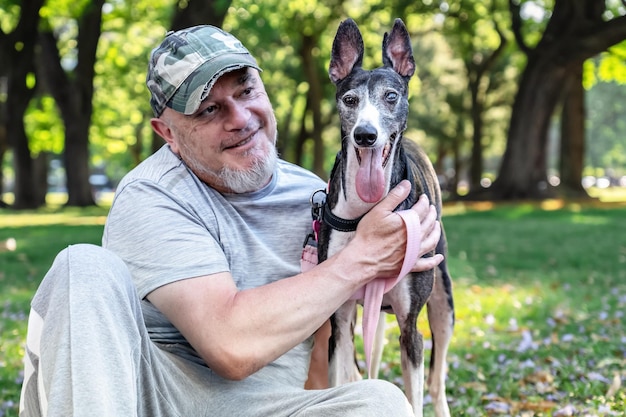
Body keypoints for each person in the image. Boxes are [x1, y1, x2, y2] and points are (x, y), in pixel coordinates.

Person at [18, 25, 443, 417]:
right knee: (84, 268)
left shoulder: (320, 196)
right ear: (167, 134)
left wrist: (396, 266)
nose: (239, 118)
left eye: (246, 91)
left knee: (381, 402)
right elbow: (230, 347)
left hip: (271, 406)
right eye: (208, 110)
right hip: (156, 399)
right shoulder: (152, 195)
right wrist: (361, 259)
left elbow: (324, 343)